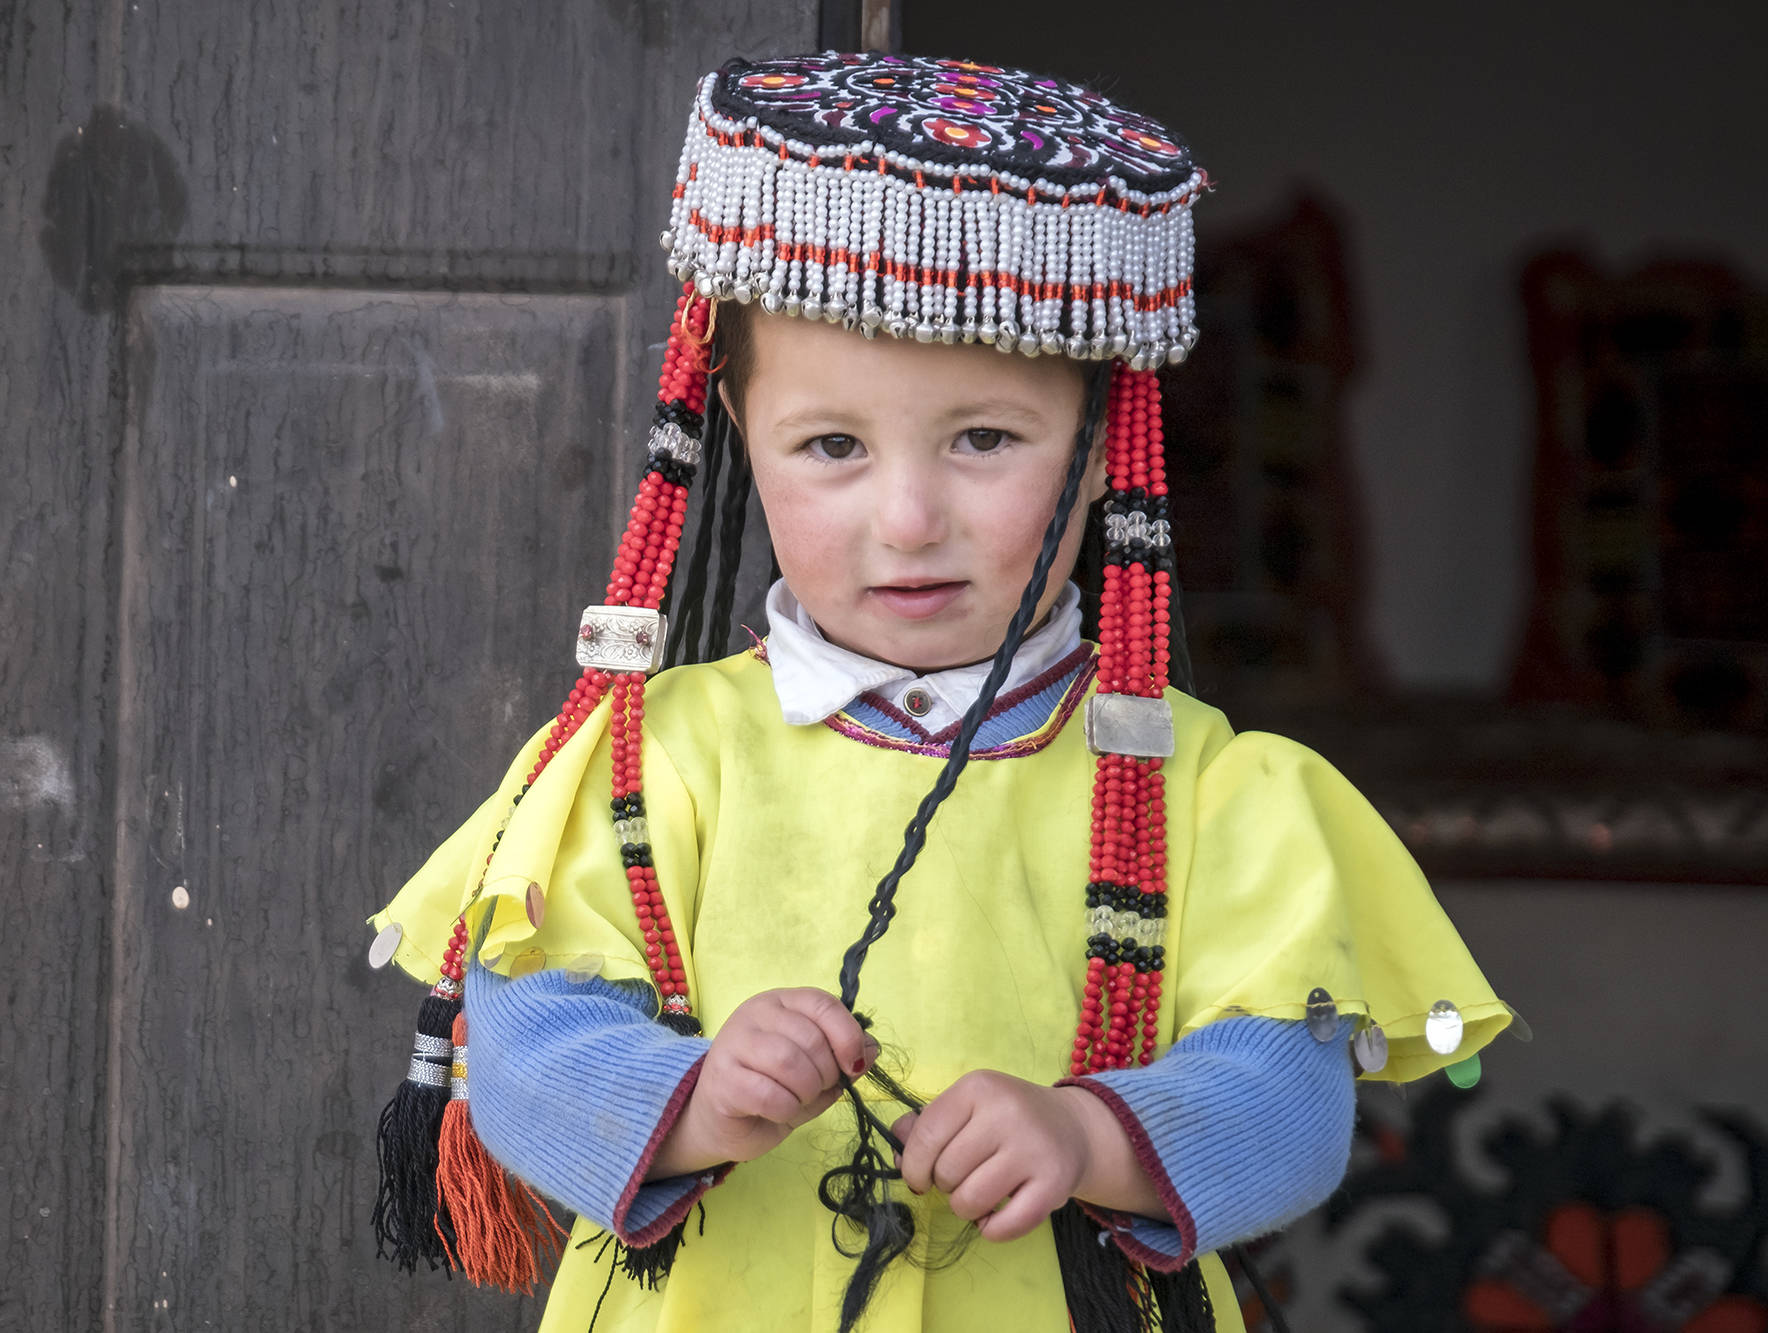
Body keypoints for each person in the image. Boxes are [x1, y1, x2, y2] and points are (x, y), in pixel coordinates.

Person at [366, 52, 1511, 1333]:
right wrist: (694, 1097)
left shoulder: (1209, 792)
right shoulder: (646, 759)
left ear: (1095, 453)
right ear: (740, 428)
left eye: (984, 440)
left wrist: (1087, 1134)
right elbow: (526, 1058)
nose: (909, 520)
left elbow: (1287, 1105)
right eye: (833, 447)